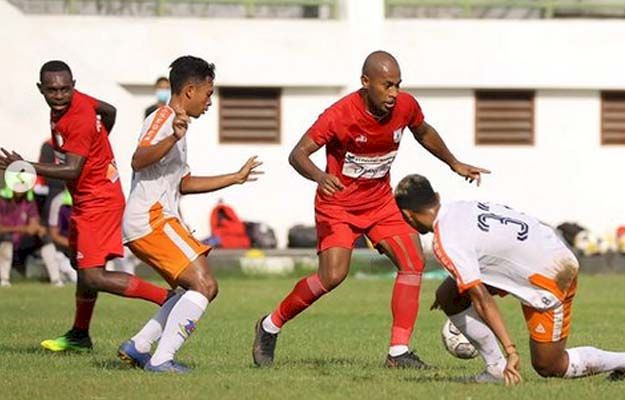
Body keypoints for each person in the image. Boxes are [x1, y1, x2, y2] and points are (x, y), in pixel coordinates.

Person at [252, 50, 490, 368]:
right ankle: (269, 325)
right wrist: (320, 177)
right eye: (386, 85)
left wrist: (454, 162)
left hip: (380, 203)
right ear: (366, 82)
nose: (393, 94)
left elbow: (423, 131)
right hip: (337, 205)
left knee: (413, 261)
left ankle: (398, 352)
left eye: (397, 85)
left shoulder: (405, 106)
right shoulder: (339, 115)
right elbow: (298, 154)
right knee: (332, 276)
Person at [393, 174, 625, 384]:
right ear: (436, 197)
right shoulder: (459, 208)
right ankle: (495, 371)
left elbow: (481, 299)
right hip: (540, 253)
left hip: (550, 275)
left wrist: (511, 350)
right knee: (448, 295)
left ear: (407, 215)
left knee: (549, 365)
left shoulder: (446, 241)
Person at [0, 60, 172, 352]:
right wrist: (101, 141)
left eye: (64, 89)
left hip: (99, 200)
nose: (59, 95)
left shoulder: (76, 118)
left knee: (92, 274)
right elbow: (110, 111)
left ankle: (169, 300)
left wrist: (26, 166)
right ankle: (80, 335)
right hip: (86, 197)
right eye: (52, 90)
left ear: (73, 86)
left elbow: (72, 170)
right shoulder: (75, 103)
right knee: (81, 267)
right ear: (41, 88)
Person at [116, 56, 262, 373]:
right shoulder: (164, 118)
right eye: (209, 94)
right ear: (190, 90)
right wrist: (172, 138)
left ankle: (139, 346)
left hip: (158, 220)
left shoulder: (177, 125)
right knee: (205, 285)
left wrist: (234, 177)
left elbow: (183, 183)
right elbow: (138, 160)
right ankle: (161, 360)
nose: (210, 101)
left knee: (189, 290)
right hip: (152, 220)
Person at [0, 187, 62, 287]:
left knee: (45, 238)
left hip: (22, 243)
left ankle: (56, 280)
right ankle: (4, 279)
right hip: (4, 241)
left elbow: (33, 223)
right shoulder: (2, 200)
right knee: (6, 238)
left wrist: (38, 228)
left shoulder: (29, 201)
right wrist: (23, 229)